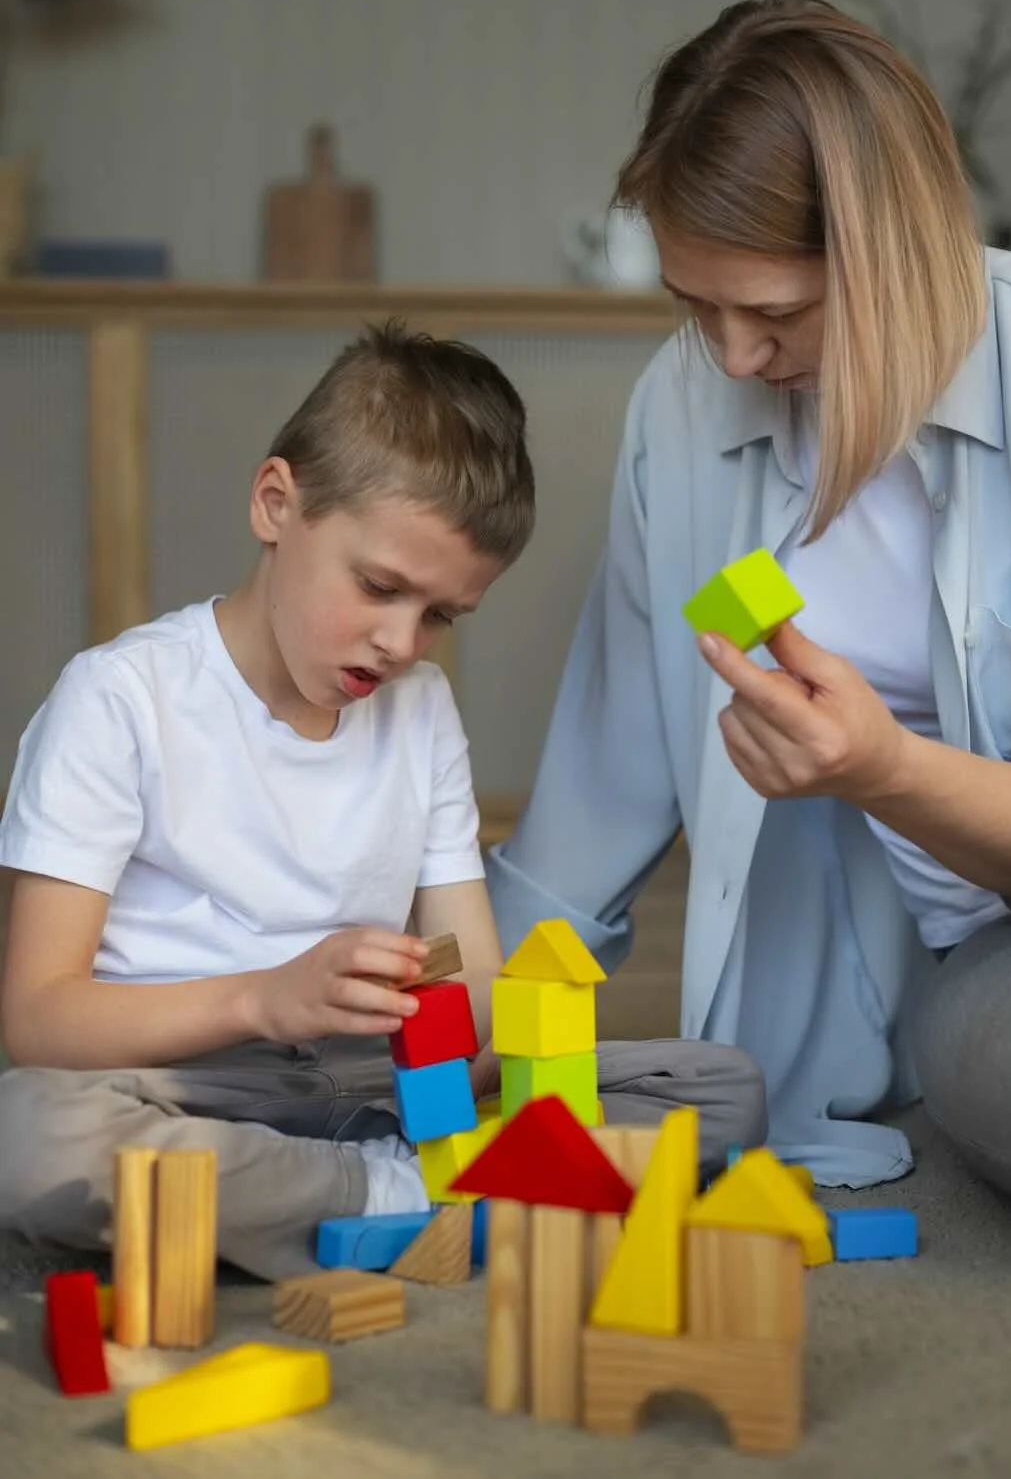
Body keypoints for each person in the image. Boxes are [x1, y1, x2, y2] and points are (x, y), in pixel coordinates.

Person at [485, 0, 1011, 1280]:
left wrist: (881, 771)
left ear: (896, 251)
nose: (734, 356)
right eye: (698, 307)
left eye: (778, 316)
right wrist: (426, 1010)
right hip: (1004, 937)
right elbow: (604, 779)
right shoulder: (685, 409)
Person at [0, 323, 765, 1281]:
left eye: (441, 614)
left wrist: (481, 1031)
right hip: (184, 1084)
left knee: (716, 1088)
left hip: (375, 1086)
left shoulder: (421, 711)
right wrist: (264, 998)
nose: (403, 643)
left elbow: (475, 983)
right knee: (30, 1140)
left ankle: (333, 1192)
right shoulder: (120, 698)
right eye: (379, 587)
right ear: (277, 503)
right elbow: (36, 1019)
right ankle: (393, 1198)